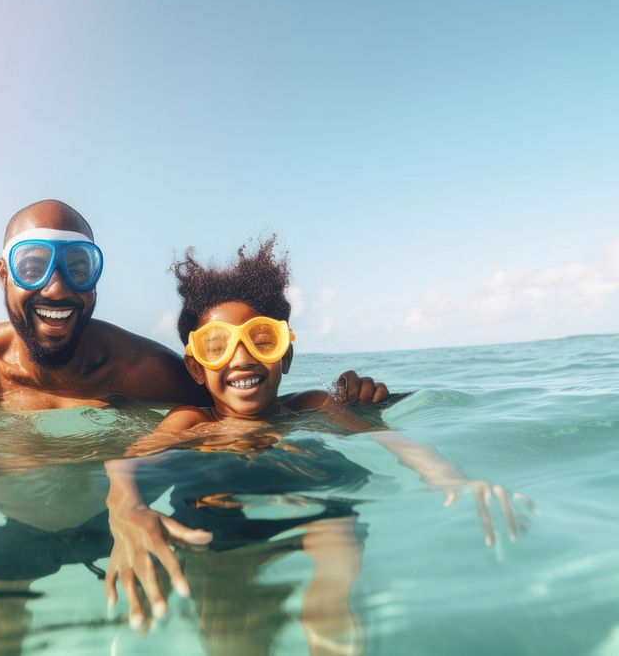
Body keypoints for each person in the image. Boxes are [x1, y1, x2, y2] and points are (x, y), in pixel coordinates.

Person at [103, 237, 528, 654]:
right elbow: (127, 461)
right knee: (229, 633)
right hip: (217, 513)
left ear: (286, 354)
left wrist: (451, 479)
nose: (241, 356)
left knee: (334, 578)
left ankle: (330, 631)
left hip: (314, 501)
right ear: (196, 368)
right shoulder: (193, 421)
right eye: (217, 345)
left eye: (262, 339)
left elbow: (384, 438)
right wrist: (128, 509)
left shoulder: (311, 406)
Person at [0, 199, 383, 422]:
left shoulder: (140, 369)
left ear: (96, 278)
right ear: (3, 275)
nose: (58, 288)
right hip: (5, 528)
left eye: (78, 267)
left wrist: (342, 402)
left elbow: (239, 401)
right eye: (33, 266)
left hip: (109, 520)